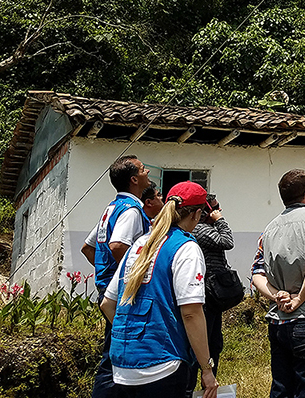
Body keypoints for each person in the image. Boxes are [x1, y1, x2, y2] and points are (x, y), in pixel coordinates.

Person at [100, 181, 219, 398]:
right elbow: (191, 313)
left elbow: (108, 303)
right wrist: (207, 368)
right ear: (197, 214)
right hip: (162, 365)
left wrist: (134, 335)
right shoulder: (186, 248)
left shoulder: (140, 244)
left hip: (121, 365)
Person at [251, 169, 305, 398]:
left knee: (281, 388)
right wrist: (299, 297)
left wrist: (277, 295)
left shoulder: (269, 229)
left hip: (278, 323)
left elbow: (256, 274)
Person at [81, 155, 153, 398]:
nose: (148, 172)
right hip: (123, 294)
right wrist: (132, 277)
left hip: (107, 290)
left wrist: (107, 275)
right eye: (144, 170)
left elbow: (88, 248)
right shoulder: (132, 210)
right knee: (115, 352)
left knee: (113, 348)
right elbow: (117, 245)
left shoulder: (111, 208)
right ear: (134, 179)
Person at [191, 194, 234, 376]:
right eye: (215, 208)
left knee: (215, 342)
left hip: (213, 295)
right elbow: (227, 242)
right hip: (206, 294)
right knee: (205, 340)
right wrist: (220, 221)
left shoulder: (206, 229)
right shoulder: (200, 229)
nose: (218, 211)